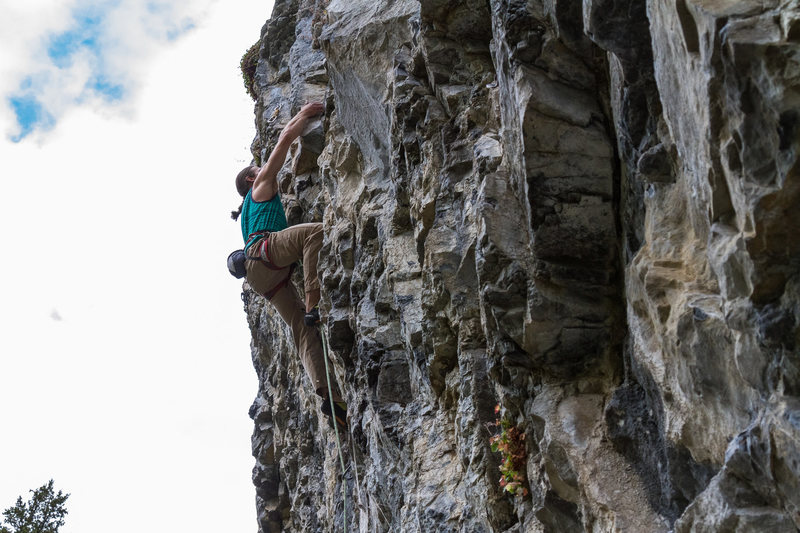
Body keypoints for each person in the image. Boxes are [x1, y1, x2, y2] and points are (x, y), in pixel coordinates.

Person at [231, 102, 346, 430]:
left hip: (260, 277)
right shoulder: (260, 184)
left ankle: (329, 396)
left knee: (301, 330)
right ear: (253, 177)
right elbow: (283, 141)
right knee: (316, 233)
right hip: (267, 252)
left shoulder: (247, 214)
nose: (263, 167)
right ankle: (314, 303)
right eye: (258, 166)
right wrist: (307, 113)